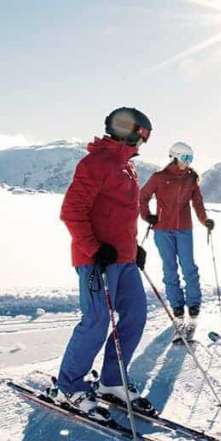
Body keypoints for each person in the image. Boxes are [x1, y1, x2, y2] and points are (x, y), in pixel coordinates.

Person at [52, 107, 155, 417]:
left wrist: (134, 247)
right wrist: (94, 249)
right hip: (95, 260)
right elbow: (72, 211)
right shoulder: (95, 163)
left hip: (124, 259)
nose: (143, 144)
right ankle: (69, 386)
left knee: (135, 316)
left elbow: (118, 215)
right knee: (96, 320)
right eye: (143, 138)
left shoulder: (127, 167)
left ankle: (112, 381)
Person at [139, 141, 215, 343]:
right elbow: (143, 196)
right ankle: (178, 312)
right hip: (162, 230)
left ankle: (194, 309)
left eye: (190, 159)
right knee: (170, 270)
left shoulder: (191, 179)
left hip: (184, 230)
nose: (188, 162)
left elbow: (198, 203)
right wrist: (147, 216)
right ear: (175, 156)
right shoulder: (159, 177)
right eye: (185, 158)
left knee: (189, 268)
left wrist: (204, 220)